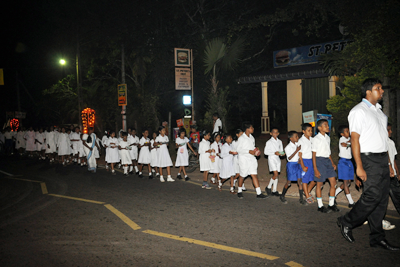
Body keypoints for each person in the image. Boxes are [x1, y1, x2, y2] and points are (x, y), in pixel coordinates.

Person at [337, 78, 399, 250]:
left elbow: (384, 141)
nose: (382, 91)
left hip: (381, 158)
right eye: (378, 88)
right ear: (368, 92)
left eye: (381, 88)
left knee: (381, 199)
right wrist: (359, 166)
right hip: (367, 158)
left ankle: (377, 238)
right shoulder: (359, 111)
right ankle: (346, 221)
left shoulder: (380, 112)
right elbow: (354, 139)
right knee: (372, 196)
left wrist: (388, 163)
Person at [312, 119, 339, 213]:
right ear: (319, 128)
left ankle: (331, 204)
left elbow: (328, 153)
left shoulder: (328, 138)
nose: (328, 127)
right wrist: (315, 169)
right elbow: (313, 155)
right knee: (320, 184)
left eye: (327, 125)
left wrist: (332, 162)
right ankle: (320, 205)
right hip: (319, 161)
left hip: (327, 161)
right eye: (325, 125)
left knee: (333, 183)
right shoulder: (316, 139)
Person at [236, 123, 268, 199]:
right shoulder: (241, 138)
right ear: (247, 129)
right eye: (251, 127)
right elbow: (238, 150)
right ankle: (239, 191)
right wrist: (248, 151)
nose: (253, 129)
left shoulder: (252, 138)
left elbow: (252, 147)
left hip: (252, 159)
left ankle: (259, 193)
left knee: (254, 175)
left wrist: (256, 151)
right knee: (242, 175)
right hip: (244, 159)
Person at [280, 131, 307, 205]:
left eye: (297, 136)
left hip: (297, 164)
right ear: (291, 138)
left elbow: (298, 155)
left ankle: (301, 199)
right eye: (296, 136)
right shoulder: (288, 147)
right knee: (289, 182)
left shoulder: (297, 144)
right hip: (291, 165)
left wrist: (299, 159)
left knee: (300, 181)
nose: (297, 138)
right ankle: (282, 196)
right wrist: (296, 150)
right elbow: (289, 157)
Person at [335, 125, 355, 208]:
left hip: (349, 162)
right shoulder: (342, 139)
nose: (349, 132)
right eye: (346, 131)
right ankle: (351, 202)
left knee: (348, 182)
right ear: (342, 134)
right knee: (346, 183)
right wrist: (351, 142)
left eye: (349, 131)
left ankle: (333, 193)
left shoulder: (348, 139)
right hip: (343, 162)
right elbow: (344, 145)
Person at [298, 123, 315, 204]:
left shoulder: (312, 139)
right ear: (303, 131)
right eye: (308, 131)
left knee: (314, 179)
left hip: (312, 161)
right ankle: (307, 196)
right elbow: (300, 155)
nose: (310, 132)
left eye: (311, 130)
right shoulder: (301, 141)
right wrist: (303, 166)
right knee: (305, 180)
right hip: (305, 161)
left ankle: (307, 191)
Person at [264, 127, 284, 196]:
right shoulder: (269, 142)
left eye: (276, 132)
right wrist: (274, 153)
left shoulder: (279, 141)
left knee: (276, 175)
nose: (275, 133)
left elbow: (281, 151)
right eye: (274, 132)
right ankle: (268, 187)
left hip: (277, 159)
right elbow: (266, 152)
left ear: (278, 133)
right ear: (271, 133)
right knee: (275, 174)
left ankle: (274, 190)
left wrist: (282, 154)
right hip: (272, 158)